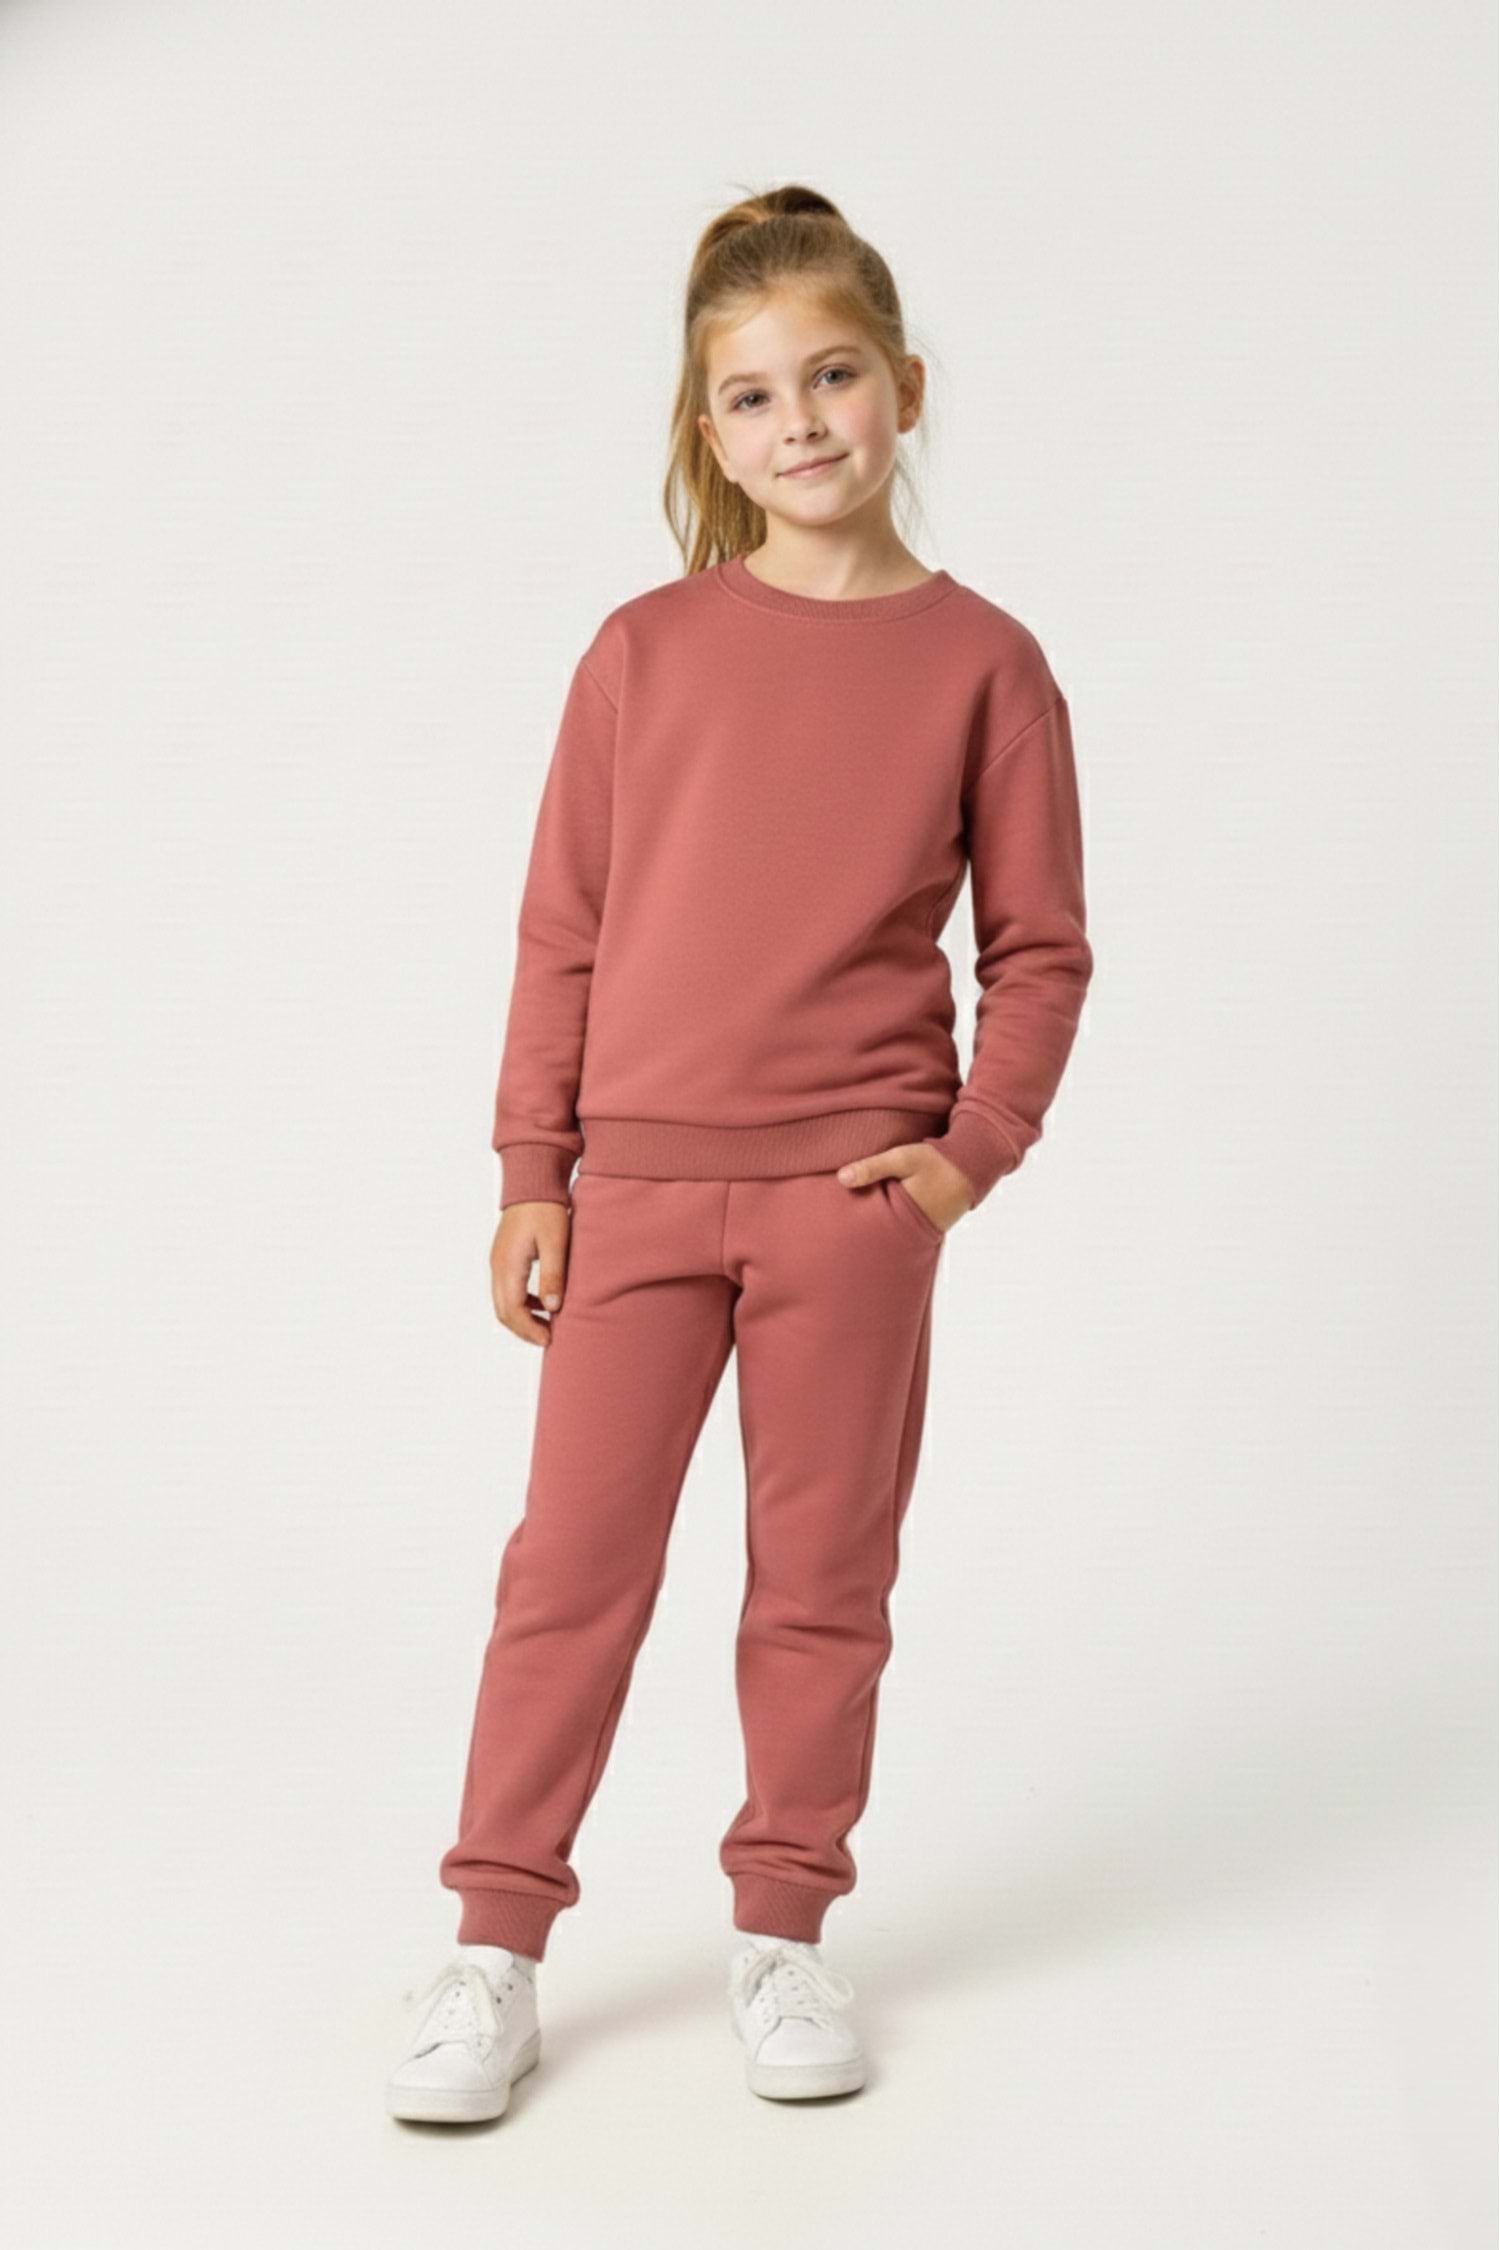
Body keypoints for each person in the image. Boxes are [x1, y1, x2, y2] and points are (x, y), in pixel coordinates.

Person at [386, 181, 1094, 2123]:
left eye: (834, 377)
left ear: (906, 389)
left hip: (853, 1200)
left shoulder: (986, 664)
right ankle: (495, 1947)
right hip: (633, 1193)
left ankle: (784, 1932)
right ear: (709, 428)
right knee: (570, 1572)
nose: (802, 423)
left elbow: (1039, 947)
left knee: (822, 1580)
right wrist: (533, 1170)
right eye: (755, 394)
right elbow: (565, 925)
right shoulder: (645, 650)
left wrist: (966, 1155)